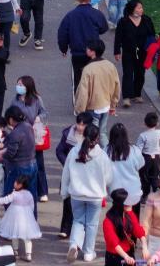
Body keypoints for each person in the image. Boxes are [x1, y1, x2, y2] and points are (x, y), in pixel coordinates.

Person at [60, 125, 113, 263]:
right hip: (95, 196)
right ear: (97, 138)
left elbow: (66, 173)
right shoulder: (101, 155)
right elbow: (109, 177)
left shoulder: (74, 151)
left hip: (76, 194)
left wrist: (64, 191)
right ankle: (88, 252)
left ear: (83, 135)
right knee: (91, 224)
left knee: (77, 221)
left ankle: (74, 244)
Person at [58, 0, 111, 90]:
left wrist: (63, 48)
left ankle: (80, 102)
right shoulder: (97, 14)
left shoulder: (70, 15)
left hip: (77, 52)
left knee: (78, 79)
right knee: (94, 78)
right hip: (94, 51)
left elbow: (63, 34)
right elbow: (104, 28)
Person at [57, 112, 95, 240]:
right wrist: (67, 163)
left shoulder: (93, 135)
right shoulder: (68, 134)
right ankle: (65, 228)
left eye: (83, 125)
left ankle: (79, 228)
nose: (80, 127)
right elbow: (59, 151)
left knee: (82, 202)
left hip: (85, 175)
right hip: (70, 173)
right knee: (67, 200)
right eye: (79, 123)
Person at [75, 39, 121, 145]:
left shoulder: (88, 69)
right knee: (103, 132)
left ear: (92, 51)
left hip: (93, 107)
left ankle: (93, 156)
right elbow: (116, 86)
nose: (86, 49)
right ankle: (107, 154)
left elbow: (83, 92)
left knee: (91, 134)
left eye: (88, 48)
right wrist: (113, 105)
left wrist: (80, 110)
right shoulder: (110, 65)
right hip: (106, 105)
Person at [12, 76, 50, 202]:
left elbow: (44, 113)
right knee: (22, 163)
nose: (19, 87)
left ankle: (42, 191)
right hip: (20, 135)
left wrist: (39, 118)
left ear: (28, 86)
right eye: (18, 84)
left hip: (34, 134)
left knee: (39, 164)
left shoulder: (36, 99)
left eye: (21, 84)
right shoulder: (15, 100)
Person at [115, 0, 154, 107]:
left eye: (141, 7)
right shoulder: (123, 21)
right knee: (128, 73)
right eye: (139, 7)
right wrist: (117, 51)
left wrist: (152, 50)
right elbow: (118, 37)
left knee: (140, 73)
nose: (142, 9)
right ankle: (127, 97)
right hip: (128, 52)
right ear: (132, 9)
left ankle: (137, 94)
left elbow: (151, 35)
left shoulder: (146, 20)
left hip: (143, 52)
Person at [0, 174, 42, 262]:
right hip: (26, 216)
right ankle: (28, 254)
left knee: (14, 234)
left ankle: (15, 252)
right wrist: (30, 215)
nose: (15, 183)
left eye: (17, 182)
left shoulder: (14, 194)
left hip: (14, 216)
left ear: (21, 185)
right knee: (27, 236)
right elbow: (32, 205)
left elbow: (5, 200)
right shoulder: (29, 194)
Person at [136, 113, 160, 209]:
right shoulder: (159, 133)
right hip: (156, 158)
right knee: (155, 175)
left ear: (145, 123)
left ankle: (145, 195)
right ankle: (157, 192)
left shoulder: (142, 135)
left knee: (144, 177)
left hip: (146, 158)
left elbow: (138, 149)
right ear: (157, 124)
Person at [2, 105, 39, 203]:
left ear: (10, 119)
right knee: (31, 197)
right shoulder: (28, 126)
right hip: (32, 164)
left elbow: (10, 154)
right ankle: (32, 218)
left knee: (9, 195)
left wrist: (1, 156)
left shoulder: (15, 133)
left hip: (20, 169)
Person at [103, 187, 149, 266]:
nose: (131, 205)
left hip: (128, 253)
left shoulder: (130, 214)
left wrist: (144, 247)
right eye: (127, 204)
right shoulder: (108, 221)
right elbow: (114, 243)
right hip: (114, 257)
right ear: (120, 205)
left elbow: (139, 231)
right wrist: (126, 257)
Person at [107, 123, 146, 208]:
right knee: (133, 219)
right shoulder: (135, 150)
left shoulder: (106, 151)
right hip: (134, 192)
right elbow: (141, 165)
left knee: (117, 218)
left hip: (115, 193)